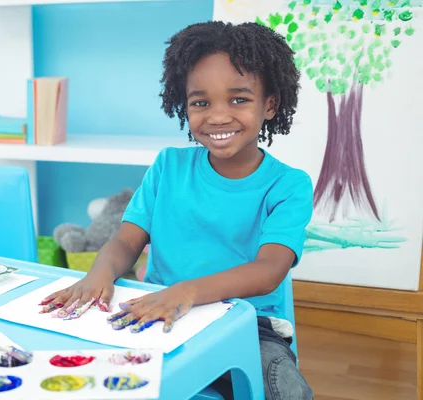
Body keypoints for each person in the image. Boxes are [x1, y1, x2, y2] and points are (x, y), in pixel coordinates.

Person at [39, 20, 314, 400]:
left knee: (285, 390)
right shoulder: (168, 167)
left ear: (270, 104)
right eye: (201, 102)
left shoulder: (288, 185)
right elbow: (125, 241)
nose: (217, 116)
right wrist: (98, 273)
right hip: (156, 310)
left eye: (238, 99)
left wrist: (186, 292)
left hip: (248, 323)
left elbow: (269, 271)